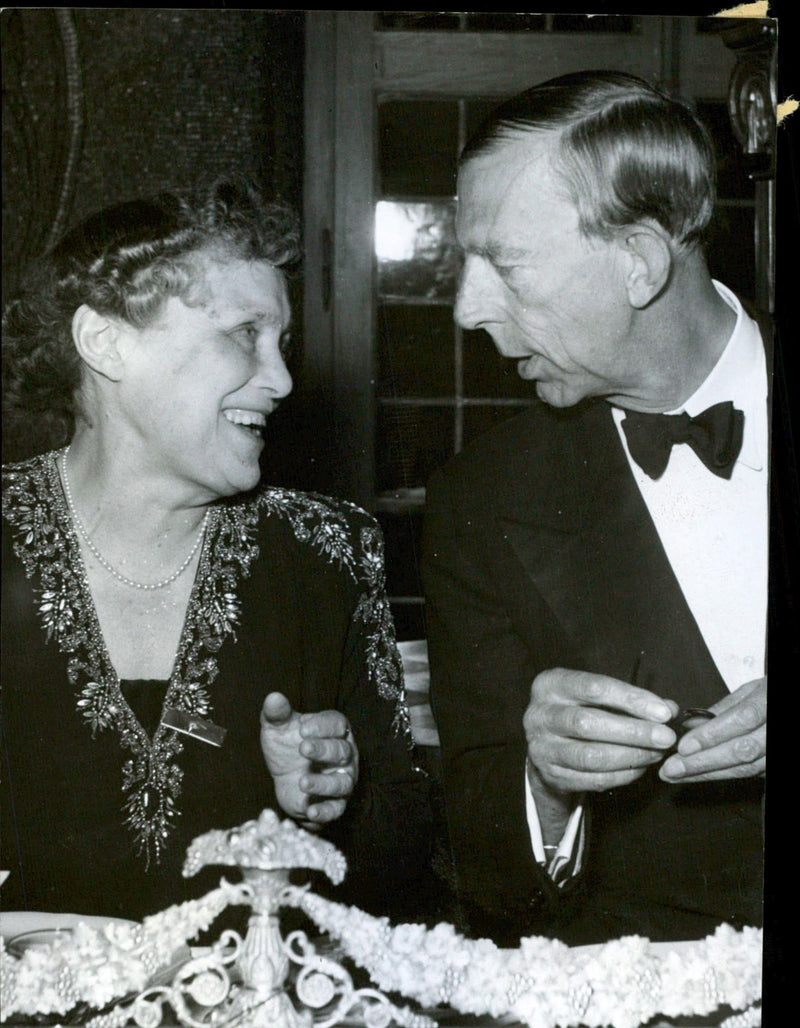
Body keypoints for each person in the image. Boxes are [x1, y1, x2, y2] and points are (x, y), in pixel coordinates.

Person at [1, 178, 434, 931]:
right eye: (244, 334)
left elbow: (404, 863)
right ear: (104, 342)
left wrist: (342, 790)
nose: (283, 378)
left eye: (282, 343)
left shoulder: (326, 550)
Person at [422, 71, 768, 947]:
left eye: (504, 262)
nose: (468, 307)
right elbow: (479, 859)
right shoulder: (483, 499)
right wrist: (546, 786)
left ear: (640, 263)